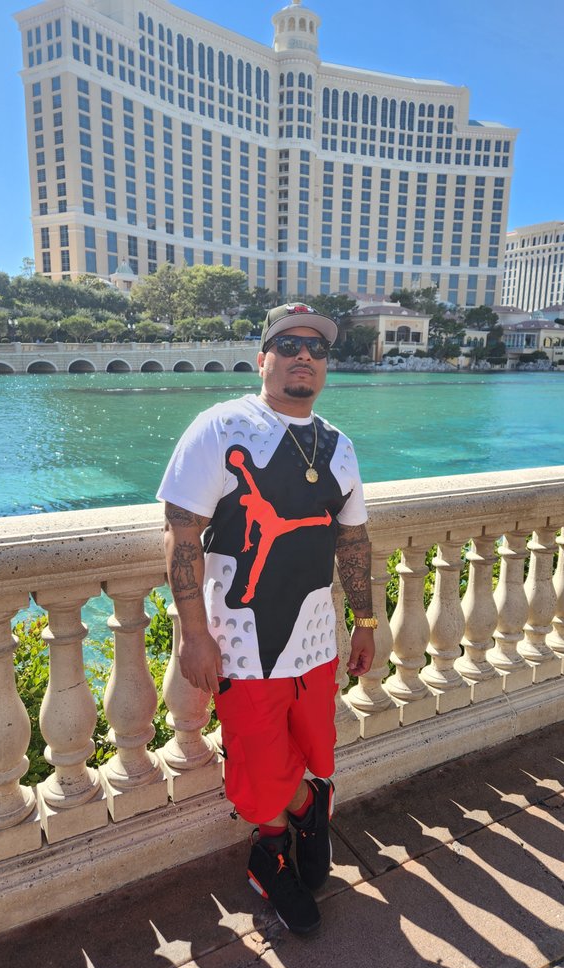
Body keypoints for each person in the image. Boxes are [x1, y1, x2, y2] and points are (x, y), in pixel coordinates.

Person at [158, 302, 376, 935]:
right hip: (241, 640)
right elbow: (181, 533)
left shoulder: (339, 445)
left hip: (316, 635)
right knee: (257, 762)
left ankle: (303, 811)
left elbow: (353, 540)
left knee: (312, 745)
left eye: (317, 347)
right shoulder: (221, 427)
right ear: (263, 359)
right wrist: (194, 635)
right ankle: (277, 844)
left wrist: (365, 620)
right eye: (288, 344)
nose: (304, 355)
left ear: (326, 365)